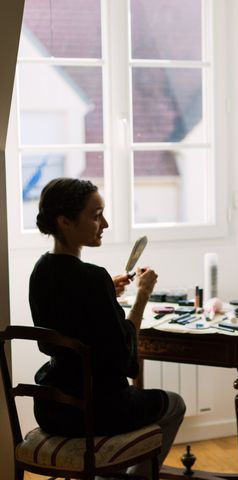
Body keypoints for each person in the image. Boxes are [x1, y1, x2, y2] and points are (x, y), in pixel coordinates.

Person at [29, 177, 185, 479]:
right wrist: (142, 296)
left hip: (52, 406)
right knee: (175, 404)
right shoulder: (92, 277)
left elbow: (71, 315)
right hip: (96, 409)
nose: (106, 223)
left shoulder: (41, 270)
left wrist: (105, 293)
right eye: (96, 215)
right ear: (65, 221)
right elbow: (127, 362)